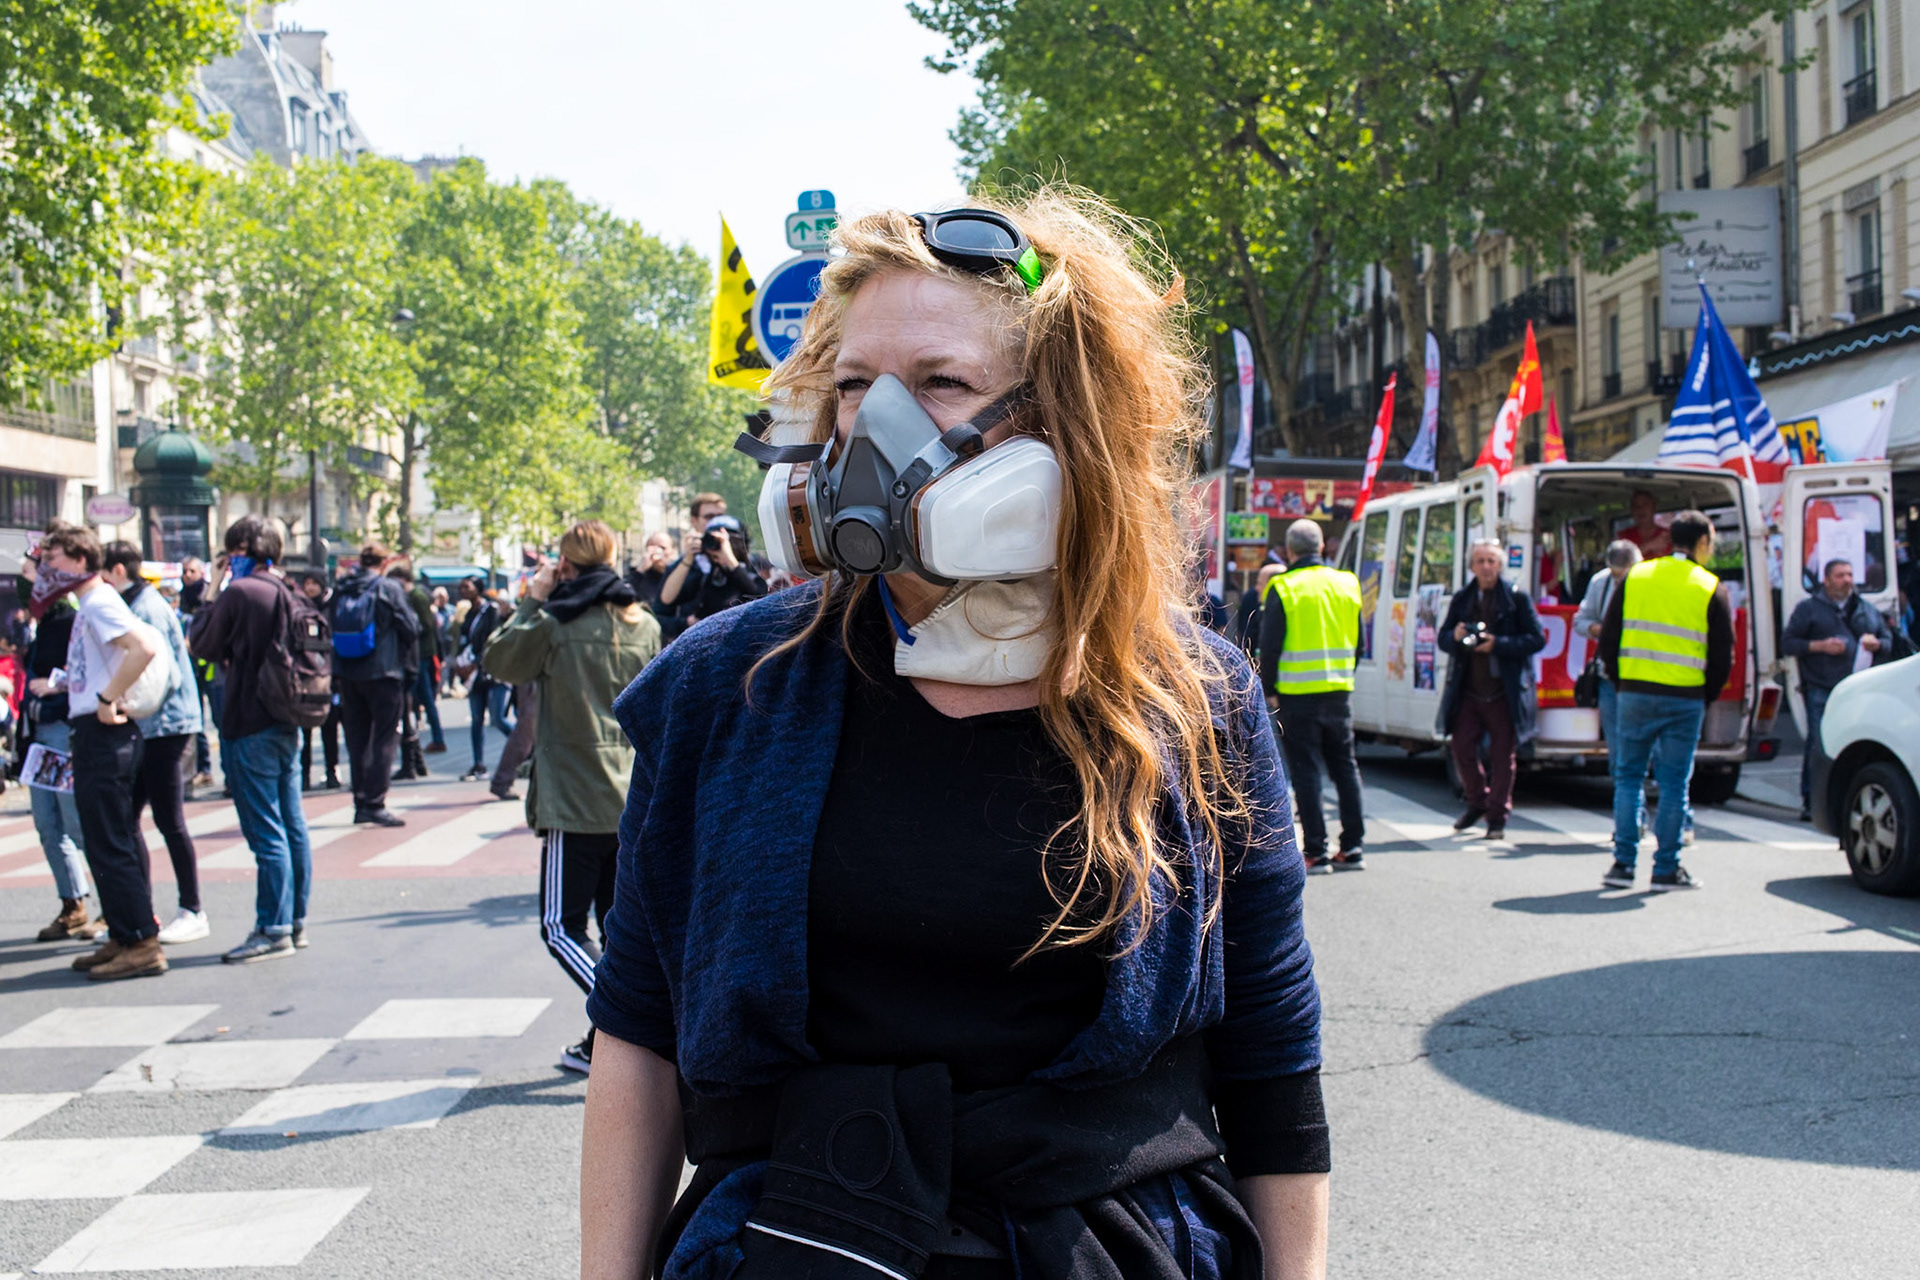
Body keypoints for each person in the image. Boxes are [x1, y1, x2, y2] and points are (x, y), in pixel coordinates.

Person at [580, 198, 1327, 1280]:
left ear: (1064, 421)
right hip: (796, 1244)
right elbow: (638, 1037)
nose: (875, 425)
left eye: (939, 381)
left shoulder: (1196, 699)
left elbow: (1271, 1059)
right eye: (852, 387)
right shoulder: (720, 687)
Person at [484, 519, 658, 1075]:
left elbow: (499, 661)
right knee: (617, 927)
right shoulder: (641, 621)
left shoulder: (555, 623)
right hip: (630, 789)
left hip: (572, 793)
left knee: (560, 926)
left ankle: (633, 1019)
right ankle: (605, 1036)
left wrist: (533, 601)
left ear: (566, 564)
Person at [32, 524, 167, 981]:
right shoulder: (90, 604)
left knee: (111, 840)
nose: (46, 569)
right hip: (94, 730)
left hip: (104, 735)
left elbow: (143, 647)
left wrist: (109, 698)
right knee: (108, 837)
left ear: (78, 560)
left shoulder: (100, 601)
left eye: (53, 560)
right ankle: (126, 934)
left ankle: (141, 942)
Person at [189, 516, 316, 961]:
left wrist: (211, 590)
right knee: (291, 823)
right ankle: (295, 920)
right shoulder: (291, 590)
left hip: (248, 718)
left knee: (266, 831)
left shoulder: (242, 592)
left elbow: (201, 643)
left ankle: (273, 927)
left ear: (240, 550)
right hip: (287, 716)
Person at [1596, 509, 1734, 891]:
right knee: (1674, 784)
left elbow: (1608, 638)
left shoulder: (1637, 575)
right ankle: (1665, 869)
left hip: (1635, 693)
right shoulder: (1709, 586)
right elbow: (1724, 656)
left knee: (1628, 777)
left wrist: (1623, 683)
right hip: (1685, 699)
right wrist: (1705, 696)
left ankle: (1622, 865)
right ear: (1703, 543)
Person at [102, 541, 208, 946]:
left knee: (168, 818)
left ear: (116, 572)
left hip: (165, 724)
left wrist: (122, 700)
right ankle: (140, 910)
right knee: (131, 820)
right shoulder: (139, 603)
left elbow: (165, 675)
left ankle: (192, 908)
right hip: (154, 724)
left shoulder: (144, 608)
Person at [1260, 519, 1366, 872]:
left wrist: (1270, 689)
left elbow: (1270, 645)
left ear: (1290, 551)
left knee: (1306, 772)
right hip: (1338, 690)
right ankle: (1352, 846)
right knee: (1345, 768)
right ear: (1321, 547)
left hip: (1296, 694)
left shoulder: (1283, 586)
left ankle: (1317, 850)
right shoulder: (1348, 583)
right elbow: (1358, 643)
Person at [1437, 540, 1547, 841]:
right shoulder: (1462, 599)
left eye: (1491, 561)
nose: (1486, 566)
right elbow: (1443, 638)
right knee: (1461, 748)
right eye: (1480, 561)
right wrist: (1456, 635)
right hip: (1468, 690)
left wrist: (1498, 644)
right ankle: (1477, 802)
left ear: (1499, 566)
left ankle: (1497, 817)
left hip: (1504, 691)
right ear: (1472, 566)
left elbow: (1536, 640)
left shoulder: (1516, 599)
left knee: (1502, 756)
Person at [19, 543, 96, 943]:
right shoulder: (40, 623)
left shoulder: (72, 619)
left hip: (65, 731)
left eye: (31, 572)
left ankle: (114, 904)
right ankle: (73, 903)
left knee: (76, 823)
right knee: (48, 826)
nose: (25, 581)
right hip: (39, 737)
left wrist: (56, 686)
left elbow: (89, 674)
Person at [1782, 557, 1892, 821]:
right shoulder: (1809, 609)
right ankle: (1812, 800)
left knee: (1857, 745)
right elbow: (1788, 643)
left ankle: (1847, 799)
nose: (1847, 580)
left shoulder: (1865, 609)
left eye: (1850, 574)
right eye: (1841, 575)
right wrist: (1820, 646)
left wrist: (1877, 644)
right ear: (1827, 580)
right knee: (1819, 745)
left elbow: (1889, 641)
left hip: (1858, 690)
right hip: (1822, 688)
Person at [330, 543, 418, 826]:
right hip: (384, 671)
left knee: (357, 740)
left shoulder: (342, 587)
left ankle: (359, 801)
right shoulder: (388, 588)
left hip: (348, 672)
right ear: (384, 563)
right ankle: (375, 802)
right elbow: (411, 627)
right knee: (384, 737)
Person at [656, 494, 766, 624]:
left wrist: (729, 559)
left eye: (720, 516)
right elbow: (666, 601)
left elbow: (759, 597)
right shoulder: (691, 563)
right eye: (709, 517)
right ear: (694, 521)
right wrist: (688, 558)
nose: (716, 523)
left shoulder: (744, 563)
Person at [455, 575, 511, 782]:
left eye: (466, 586)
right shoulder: (469, 614)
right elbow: (464, 641)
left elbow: (493, 642)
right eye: (461, 587)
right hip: (474, 676)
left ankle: (523, 750)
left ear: (478, 588)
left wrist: (475, 662)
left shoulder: (491, 611)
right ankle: (478, 764)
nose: (462, 590)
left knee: (498, 719)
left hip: (492, 673)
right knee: (476, 720)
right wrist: (459, 664)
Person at [386, 560, 438, 780]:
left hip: (418, 656)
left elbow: (425, 625)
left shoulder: (415, 596)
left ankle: (425, 750)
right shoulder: (407, 596)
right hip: (414, 657)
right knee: (410, 707)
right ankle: (416, 761)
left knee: (420, 701)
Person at [297, 570, 342, 790]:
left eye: (314, 583)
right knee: (304, 729)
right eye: (307, 583)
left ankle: (331, 770)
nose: (310, 587)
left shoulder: (332, 608)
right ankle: (304, 774)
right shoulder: (299, 608)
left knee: (329, 728)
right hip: (305, 676)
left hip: (328, 676)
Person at [624, 531, 676, 617]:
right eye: (652, 548)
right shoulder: (638, 575)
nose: (657, 552)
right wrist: (641, 569)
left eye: (662, 548)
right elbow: (624, 596)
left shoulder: (678, 575)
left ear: (672, 551)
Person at [1618, 490, 1673, 559]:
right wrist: (1648, 546)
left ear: (1654, 507)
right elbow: (1620, 562)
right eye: (1636, 506)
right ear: (1632, 510)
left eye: (1645, 504)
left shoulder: (1668, 536)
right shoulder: (1623, 537)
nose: (1640, 509)